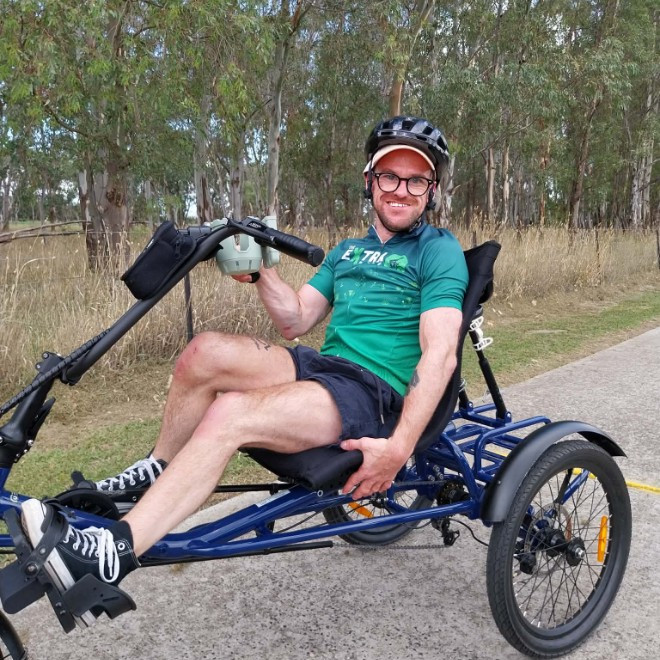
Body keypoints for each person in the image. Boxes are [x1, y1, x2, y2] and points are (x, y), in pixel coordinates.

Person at [19, 116, 469, 627]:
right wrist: (260, 271)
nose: (401, 190)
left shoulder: (438, 251)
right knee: (204, 352)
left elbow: (440, 355)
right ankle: (158, 469)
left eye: (416, 181)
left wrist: (400, 448)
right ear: (370, 181)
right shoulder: (347, 251)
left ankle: (108, 556)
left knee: (231, 413)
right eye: (390, 176)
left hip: (371, 392)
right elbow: (295, 319)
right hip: (323, 367)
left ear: (431, 191)